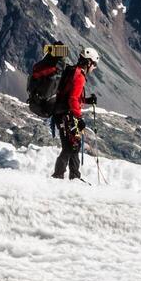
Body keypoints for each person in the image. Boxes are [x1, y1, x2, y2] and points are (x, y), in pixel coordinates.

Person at [51, 48, 98, 181]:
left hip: (62, 114)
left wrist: (87, 100)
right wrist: (79, 117)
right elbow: (72, 99)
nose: (94, 68)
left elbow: (72, 96)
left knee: (74, 146)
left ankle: (75, 177)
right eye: (94, 64)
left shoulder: (73, 71)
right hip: (66, 115)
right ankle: (58, 176)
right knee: (69, 147)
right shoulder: (79, 76)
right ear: (89, 62)